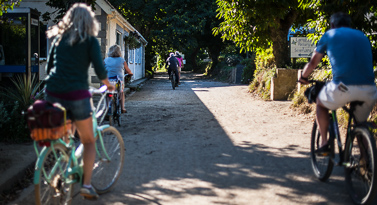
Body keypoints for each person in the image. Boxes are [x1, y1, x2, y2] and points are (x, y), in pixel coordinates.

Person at [44, 3, 115, 199]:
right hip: (76, 94)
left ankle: (62, 171)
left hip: (52, 93)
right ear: (89, 21)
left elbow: (49, 66)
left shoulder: (58, 39)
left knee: (66, 138)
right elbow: (100, 70)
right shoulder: (90, 40)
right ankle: (86, 185)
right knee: (89, 140)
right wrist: (109, 85)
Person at [298, 12, 377, 154]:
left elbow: (313, 62)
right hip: (370, 89)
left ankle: (324, 143)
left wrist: (303, 77)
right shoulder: (362, 36)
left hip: (343, 87)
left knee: (321, 105)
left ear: (332, 25)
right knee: (360, 125)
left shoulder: (329, 35)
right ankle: (368, 167)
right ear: (349, 24)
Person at [104, 44, 132, 113]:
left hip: (109, 81)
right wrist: (130, 73)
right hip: (118, 82)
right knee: (121, 93)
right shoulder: (122, 60)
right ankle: (122, 108)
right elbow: (128, 71)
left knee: (107, 95)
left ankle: (107, 110)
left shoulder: (106, 60)